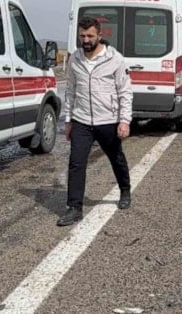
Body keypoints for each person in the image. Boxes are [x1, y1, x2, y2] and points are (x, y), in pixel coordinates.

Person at [58, 16, 133, 227]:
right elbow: (70, 91)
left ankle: (125, 190)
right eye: (82, 36)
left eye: (90, 36)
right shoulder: (75, 59)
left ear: (100, 35)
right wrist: (68, 120)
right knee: (76, 163)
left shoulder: (115, 59)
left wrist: (124, 121)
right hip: (81, 120)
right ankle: (74, 208)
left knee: (116, 158)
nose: (86, 40)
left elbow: (125, 92)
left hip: (107, 120)